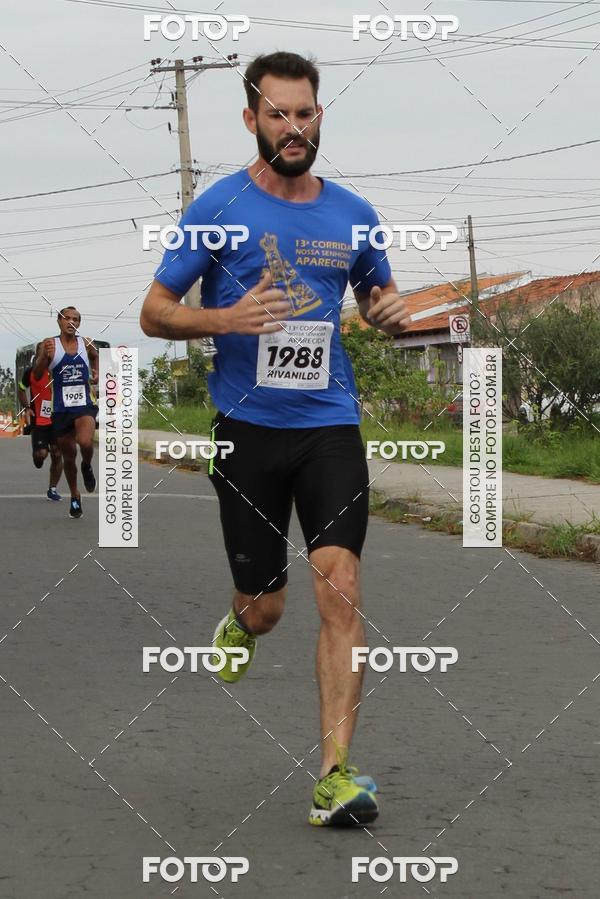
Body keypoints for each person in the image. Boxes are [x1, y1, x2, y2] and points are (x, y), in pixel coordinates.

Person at [140, 51, 410, 826]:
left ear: (321, 115)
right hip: (247, 431)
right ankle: (241, 619)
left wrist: (387, 315)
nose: (294, 128)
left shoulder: (352, 212)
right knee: (268, 607)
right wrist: (224, 318)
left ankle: (335, 775)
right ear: (251, 118)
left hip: (329, 422)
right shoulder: (218, 208)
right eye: (279, 114)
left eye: (306, 113)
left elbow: (378, 293)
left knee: (343, 585)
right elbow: (155, 311)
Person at [34, 307, 98, 519]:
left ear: (79, 323)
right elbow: (37, 373)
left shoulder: (85, 343)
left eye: (76, 319)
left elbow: (95, 357)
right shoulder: (49, 344)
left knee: (86, 442)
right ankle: (74, 495)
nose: (71, 322)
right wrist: (45, 357)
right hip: (61, 409)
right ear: (59, 321)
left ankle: (87, 466)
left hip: (84, 404)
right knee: (68, 457)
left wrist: (95, 372)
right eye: (67, 318)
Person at [18, 347, 63, 500]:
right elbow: (21, 389)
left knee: (57, 454)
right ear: (37, 356)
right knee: (41, 456)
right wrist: (26, 408)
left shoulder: (59, 370)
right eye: (43, 354)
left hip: (57, 420)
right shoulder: (31, 373)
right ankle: (39, 452)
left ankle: (53, 489)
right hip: (39, 420)